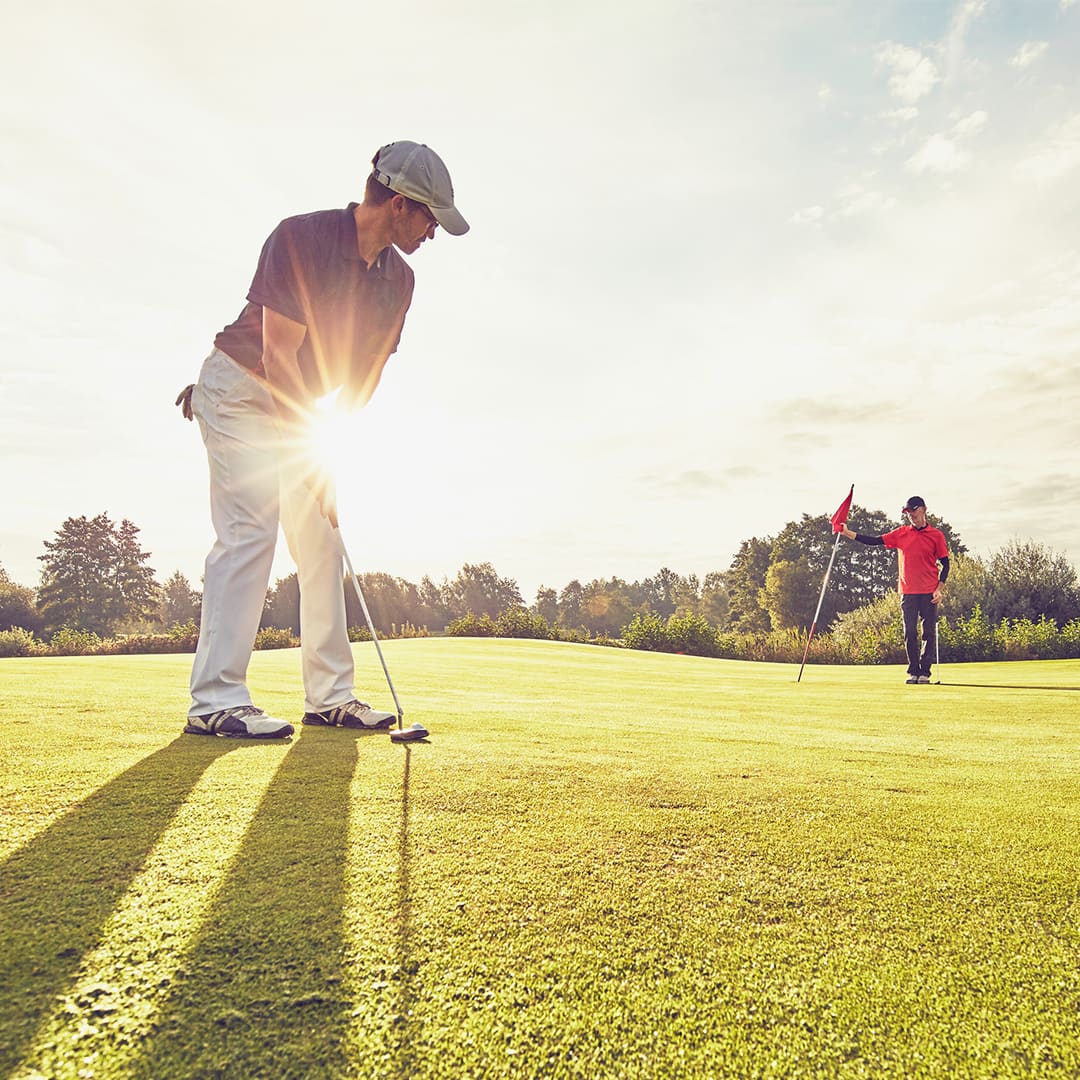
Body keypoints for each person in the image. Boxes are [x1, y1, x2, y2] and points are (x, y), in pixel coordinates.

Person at [175, 141, 469, 738]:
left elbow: (365, 377)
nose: (433, 233)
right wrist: (306, 447)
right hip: (241, 390)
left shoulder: (399, 280)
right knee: (250, 531)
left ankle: (330, 697)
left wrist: (332, 455)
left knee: (322, 541)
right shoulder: (300, 238)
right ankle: (215, 700)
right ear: (398, 204)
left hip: (300, 407)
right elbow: (278, 354)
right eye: (429, 218)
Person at [839, 496, 950, 684]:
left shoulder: (936, 535)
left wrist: (939, 589)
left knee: (928, 633)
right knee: (909, 633)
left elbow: (946, 564)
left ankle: (925, 673)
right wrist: (848, 533)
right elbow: (874, 541)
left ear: (923, 510)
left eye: (913, 512)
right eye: (908, 513)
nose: (911, 516)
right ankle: (913, 672)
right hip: (908, 592)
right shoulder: (901, 533)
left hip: (929, 592)